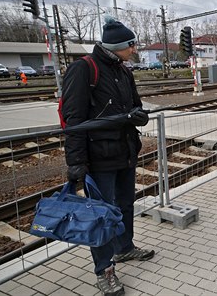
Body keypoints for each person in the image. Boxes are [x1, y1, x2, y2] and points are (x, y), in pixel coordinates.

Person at [61, 16, 154, 296]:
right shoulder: (84, 70)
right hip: (98, 157)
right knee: (101, 214)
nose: (135, 49)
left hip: (125, 152)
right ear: (117, 46)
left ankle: (124, 248)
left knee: (125, 204)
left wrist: (138, 117)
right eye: (131, 45)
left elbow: (134, 106)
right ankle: (105, 271)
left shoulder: (124, 71)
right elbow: (73, 120)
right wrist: (76, 161)